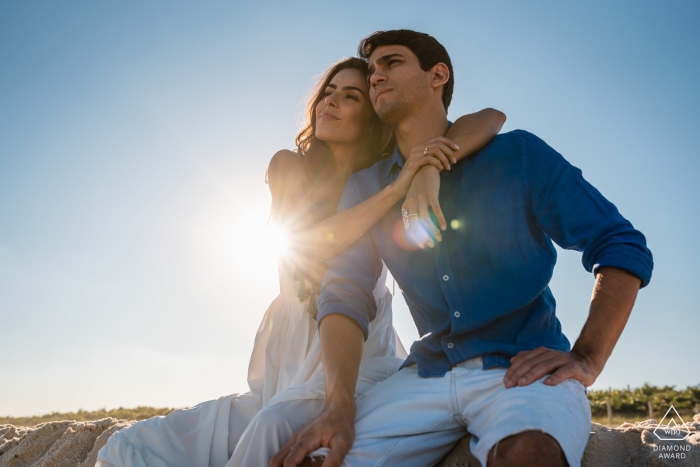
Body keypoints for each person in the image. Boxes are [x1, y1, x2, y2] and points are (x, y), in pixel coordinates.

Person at [230, 30, 654, 467]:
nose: (376, 76)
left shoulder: (518, 156)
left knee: (530, 455)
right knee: (316, 458)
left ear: (438, 76)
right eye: (372, 69)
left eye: (391, 63)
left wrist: (588, 355)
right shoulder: (369, 186)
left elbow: (619, 243)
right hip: (423, 375)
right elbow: (345, 292)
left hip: (521, 367)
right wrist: (340, 406)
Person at [95, 56, 506, 467]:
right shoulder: (290, 167)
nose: (330, 103)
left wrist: (428, 167)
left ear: (372, 117)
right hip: (288, 351)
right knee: (133, 446)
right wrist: (400, 186)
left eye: (350, 97)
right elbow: (311, 243)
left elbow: (490, 117)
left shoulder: (385, 173)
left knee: (275, 426)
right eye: (328, 94)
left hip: (358, 351)